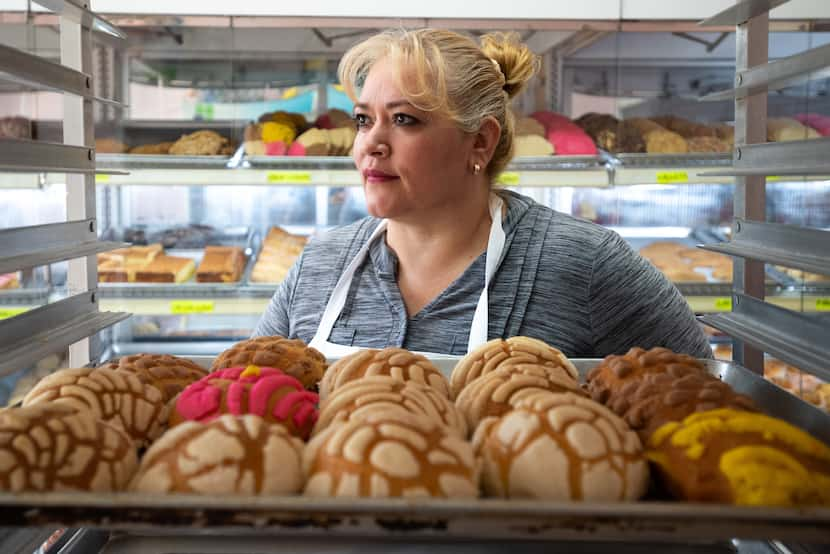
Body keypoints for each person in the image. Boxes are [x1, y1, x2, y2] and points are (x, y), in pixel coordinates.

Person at [253, 29, 711, 361]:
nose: (371, 142)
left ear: (480, 142)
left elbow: (702, 397)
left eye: (404, 119)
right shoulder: (321, 266)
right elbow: (248, 396)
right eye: (363, 119)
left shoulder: (584, 264)